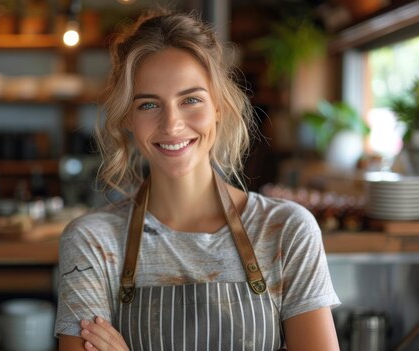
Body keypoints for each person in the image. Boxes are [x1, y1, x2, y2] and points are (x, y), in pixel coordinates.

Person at [55, 9, 341, 351]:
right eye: (148, 105)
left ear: (218, 106)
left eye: (191, 99)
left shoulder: (286, 230)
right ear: (128, 117)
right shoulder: (92, 242)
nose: (172, 124)